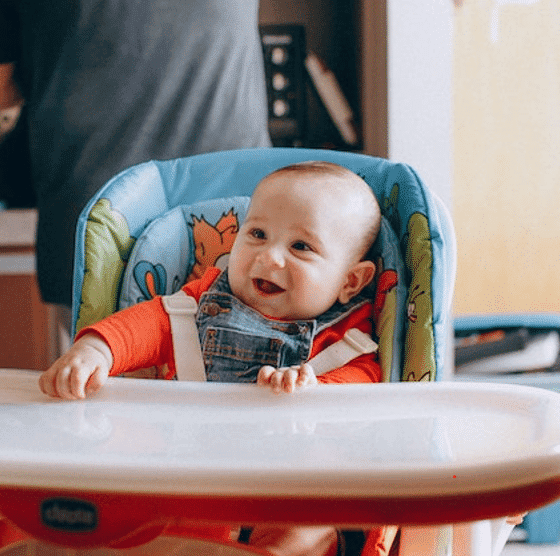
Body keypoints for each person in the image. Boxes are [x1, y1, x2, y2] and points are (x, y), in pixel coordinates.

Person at [40, 161, 383, 556]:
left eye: (301, 246)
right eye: (257, 234)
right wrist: (96, 350)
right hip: (187, 482)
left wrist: (316, 390)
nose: (269, 257)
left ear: (350, 281)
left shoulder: (349, 338)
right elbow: (147, 325)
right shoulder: (199, 306)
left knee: (312, 527)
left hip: (292, 491)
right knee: (127, 513)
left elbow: (366, 381)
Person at [0, 0, 272, 353]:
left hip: (106, 227)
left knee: (109, 390)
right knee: (248, 391)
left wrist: (50, 66)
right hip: (243, 218)